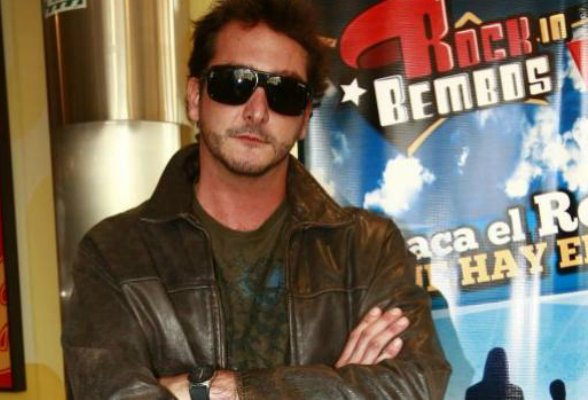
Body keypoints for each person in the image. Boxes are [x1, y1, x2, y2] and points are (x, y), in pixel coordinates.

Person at [62, 0, 451, 399]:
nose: (257, 111)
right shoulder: (114, 254)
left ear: (304, 118)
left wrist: (222, 390)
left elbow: (417, 384)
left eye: (284, 93)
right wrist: (334, 386)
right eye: (234, 83)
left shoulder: (367, 247)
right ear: (195, 97)